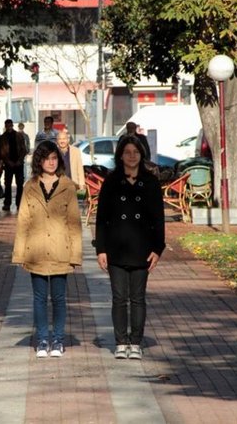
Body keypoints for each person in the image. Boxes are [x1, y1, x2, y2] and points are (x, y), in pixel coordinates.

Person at [94, 135, 165, 360]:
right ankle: (120, 342)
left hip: (142, 248)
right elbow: (101, 218)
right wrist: (100, 249)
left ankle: (135, 342)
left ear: (142, 155)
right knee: (119, 297)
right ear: (120, 156)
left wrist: (158, 248)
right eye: (127, 152)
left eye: (136, 152)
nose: (132, 156)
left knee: (138, 298)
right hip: (116, 248)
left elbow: (158, 219)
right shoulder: (112, 181)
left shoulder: (151, 182)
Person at [12, 140, 82, 358]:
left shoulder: (68, 186)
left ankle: (58, 340)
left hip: (61, 250)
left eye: (54, 158)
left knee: (59, 298)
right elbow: (23, 221)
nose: (51, 163)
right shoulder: (30, 187)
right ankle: (42, 339)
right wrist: (20, 254)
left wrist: (75, 255)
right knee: (39, 298)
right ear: (39, 161)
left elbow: (74, 223)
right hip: (37, 251)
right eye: (46, 159)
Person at [0, 119, 27, 211]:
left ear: (12, 125)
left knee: (19, 184)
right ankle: (7, 203)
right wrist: (8, 161)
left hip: (18, 163)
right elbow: (2, 152)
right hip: (8, 164)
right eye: (7, 126)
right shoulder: (3, 137)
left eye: (10, 125)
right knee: (7, 184)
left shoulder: (19, 136)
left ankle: (19, 203)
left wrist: (20, 160)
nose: (9, 127)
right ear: (5, 126)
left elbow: (23, 149)